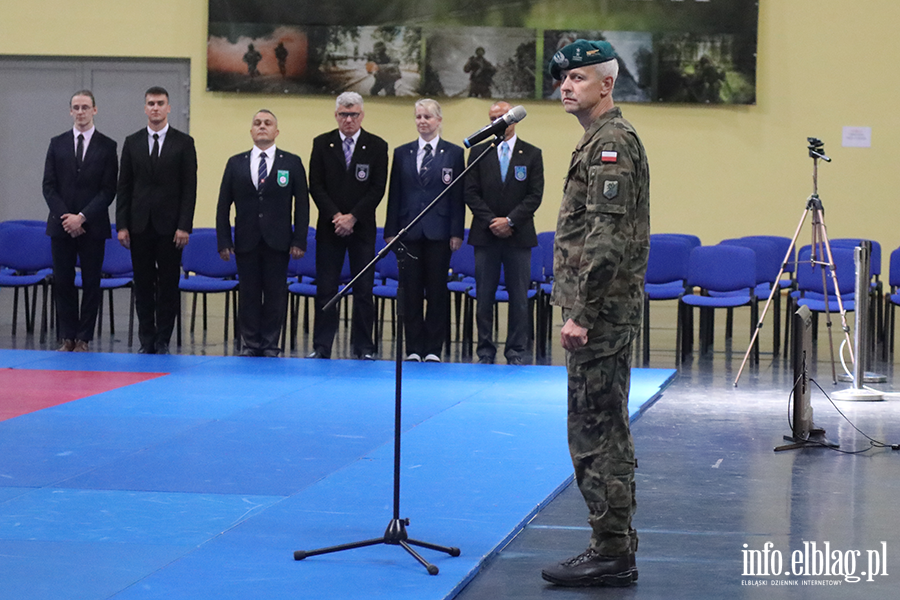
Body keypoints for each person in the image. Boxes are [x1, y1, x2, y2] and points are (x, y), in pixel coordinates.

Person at [540, 40, 650, 588]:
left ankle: (611, 551)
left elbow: (606, 240)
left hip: (600, 316)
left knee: (596, 431)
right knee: (604, 426)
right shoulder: (598, 141)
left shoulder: (612, 145)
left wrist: (581, 314)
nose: (566, 86)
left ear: (606, 84)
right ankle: (614, 545)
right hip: (602, 312)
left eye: (578, 78)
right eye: (563, 78)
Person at [215, 110, 309, 357]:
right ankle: (251, 342)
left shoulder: (291, 162)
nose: (262, 127)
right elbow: (223, 204)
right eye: (257, 123)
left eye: (268, 123)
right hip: (246, 240)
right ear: (251, 131)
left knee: (275, 294)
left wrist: (299, 239)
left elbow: (302, 204)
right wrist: (224, 240)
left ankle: (269, 343)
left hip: (278, 241)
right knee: (249, 294)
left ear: (276, 131)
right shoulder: (236, 163)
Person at [116, 86, 198, 355]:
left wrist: (184, 225)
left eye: (160, 103)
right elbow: (124, 186)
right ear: (145, 108)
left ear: (169, 107)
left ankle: (163, 338)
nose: (155, 108)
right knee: (143, 284)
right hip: (139, 225)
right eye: (151, 103)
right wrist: (122, 225)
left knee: (168, 285)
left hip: (171, 227)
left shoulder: (184, 143)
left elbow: (189, 188)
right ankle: (146, 339)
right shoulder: (133, 141)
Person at [307, 92, 388, 359]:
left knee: (364, 290)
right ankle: (322, 346)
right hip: (329, 229)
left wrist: (352, 217)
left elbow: (377, 189)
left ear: (362, 115)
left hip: (362, 229)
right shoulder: (322, 143)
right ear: (336, 115)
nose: (349, 120)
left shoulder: (377, 145)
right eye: (344, 114)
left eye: (353, 115)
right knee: (326, 288)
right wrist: (337, 217)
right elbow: (315, 186)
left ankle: (364, 348)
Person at [384, 99, 465, 362]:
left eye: (427, 117)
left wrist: (456, 231)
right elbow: (394, 193)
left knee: (436, 291)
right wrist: (391, 230)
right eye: (418, 117)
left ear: (439, 121)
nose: (422, 121)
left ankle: (433, 348)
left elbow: (457, 195)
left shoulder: (453, 153)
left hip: (439, 232)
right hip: (408, 232)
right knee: (411, 291)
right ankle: (413, 348)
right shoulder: (402, 153)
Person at [464, 100, 544, 365]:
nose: (496, 122)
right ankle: (485, 350)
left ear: (514, 121)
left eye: (501, 117)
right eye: (492, 118)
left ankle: (516, 351)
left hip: (518, 236)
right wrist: (492, 221)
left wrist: (510, 221)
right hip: (485, 236)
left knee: (519, 297)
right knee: (484, 296)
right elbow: (471, 193)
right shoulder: (478, 152)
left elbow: (534, 196)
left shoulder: (531, 153)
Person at [42, 90, 118, 352]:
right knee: (62, 281)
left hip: (92, 225)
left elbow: (108, 190)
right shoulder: (57, 143)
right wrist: (67, 218)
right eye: (76, 107)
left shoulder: (108, 146)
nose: (81, 112)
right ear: (70, 111)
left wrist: (82, 217)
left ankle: (84, 338)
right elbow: (49, 187)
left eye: (86, 107)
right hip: (61, 225)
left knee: (91, 283)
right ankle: (67, 336)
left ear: (94, 110)